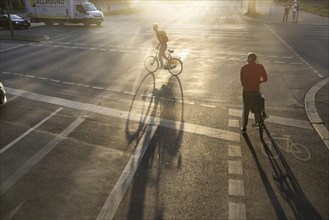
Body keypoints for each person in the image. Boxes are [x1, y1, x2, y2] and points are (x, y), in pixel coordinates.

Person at [240, 53, 268, 134]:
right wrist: (259, 82)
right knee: (261, 98)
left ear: (248, 59)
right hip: (256, 90)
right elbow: (265, 79)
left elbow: (242, 82)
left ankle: (244, 127)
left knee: (246, 108)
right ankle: (262, 114)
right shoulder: (260, 67)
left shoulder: (243, 68)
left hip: (247, 91)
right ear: (255, 59)